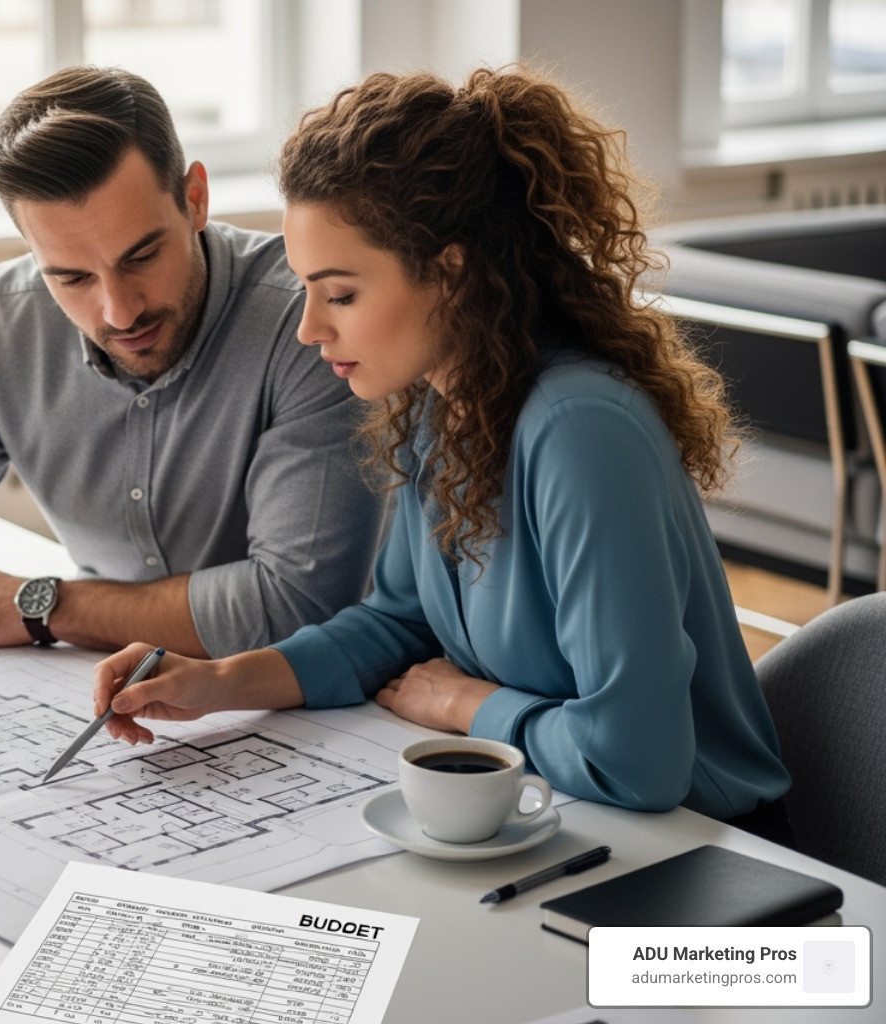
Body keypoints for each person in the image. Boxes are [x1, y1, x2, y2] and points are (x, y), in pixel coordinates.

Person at [93, 67, 792, 832]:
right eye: (307, 291)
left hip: (705, 848)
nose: (310, 329)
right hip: (561, 814)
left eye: (341, 294)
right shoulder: (444, 403)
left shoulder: (580, 430)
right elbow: (399, 625)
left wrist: (468, 705)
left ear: (451, 274)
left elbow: (637, 760)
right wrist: (221, 681)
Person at [0, 66, 386, 716]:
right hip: (111, 705)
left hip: (325, 714)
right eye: (71, 277)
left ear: (194, 198)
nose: (118, 311)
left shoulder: (309, 321)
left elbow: (297, 605)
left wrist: (47, 605)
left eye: (141, 257)